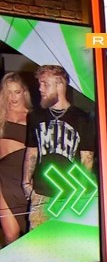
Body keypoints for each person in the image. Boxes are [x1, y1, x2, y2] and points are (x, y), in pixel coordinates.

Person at [22, 65, 95, 230]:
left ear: (60, 85)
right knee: (38, 242)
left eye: (45, 84)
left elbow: (87, 158)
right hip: (41, 193)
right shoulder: (35, 116)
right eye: (40, 83)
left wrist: (80, 193)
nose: (40, 88)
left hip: (69, 194)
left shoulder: (82, 118)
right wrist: (26, 182)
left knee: (65, 242)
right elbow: (32, 151)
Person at [0, 73, 31, 244]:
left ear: (24, 92)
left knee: (29, 230)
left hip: (23, 176)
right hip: (3, 177)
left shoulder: (32, 117)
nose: (13, 97)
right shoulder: (0, 115)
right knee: (11, 233)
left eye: (17, 92)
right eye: (9, 92)